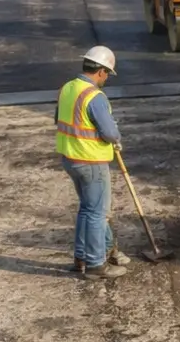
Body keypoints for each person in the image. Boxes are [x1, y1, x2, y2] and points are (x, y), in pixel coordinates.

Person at [55, 46, 129, 279]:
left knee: (87, 209)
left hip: (71, 158)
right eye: (107, 73)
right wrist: (115, 138)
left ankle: (81, 258)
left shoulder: (67, 88)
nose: (106, 78)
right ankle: (97, 265)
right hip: (91, 161)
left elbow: (59, 118)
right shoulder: (94, 96)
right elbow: (109, 132)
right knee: (97, 213)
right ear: (101, 71)